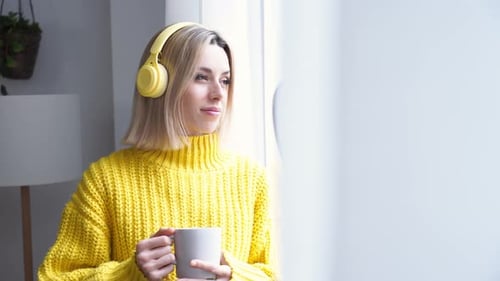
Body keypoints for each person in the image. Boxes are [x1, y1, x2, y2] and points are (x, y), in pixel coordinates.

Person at [38, 22, 276, 281]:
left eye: (225, 80)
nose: (219, 93)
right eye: (201, 77)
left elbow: (273, 275)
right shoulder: (105, 179)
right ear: (158, 84)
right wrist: (129, 273)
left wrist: (235, 276)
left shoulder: (252, 179)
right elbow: (55, 277)